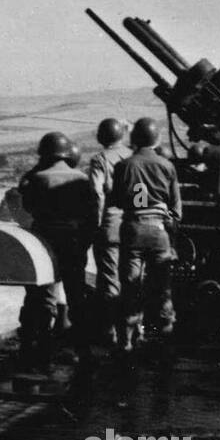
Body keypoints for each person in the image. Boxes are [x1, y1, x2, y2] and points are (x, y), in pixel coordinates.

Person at [17, 131, 98, 369]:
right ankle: (84, 352)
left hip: (45, 242)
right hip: (74, 243)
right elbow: (92, 216)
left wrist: (34, 170)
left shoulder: (39, 178)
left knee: (42, 298)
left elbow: (27, 204)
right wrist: (83, 244)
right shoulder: (82, 178)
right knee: (76, 297)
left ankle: (41, 352)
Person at [109, 118, 182, 352]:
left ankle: (127, 340)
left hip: (133, 228)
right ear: (156, 139)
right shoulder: (167, 166)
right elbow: (176, 208)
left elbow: (117, 201)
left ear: (134, 139)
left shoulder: (124, 166)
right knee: (162, 286)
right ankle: (165, 336)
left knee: (130, 284)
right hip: (159, 230)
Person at [86, 118, 131, 345]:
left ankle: (110, 333)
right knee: (132, 280)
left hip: (110, 225)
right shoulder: (133, 157)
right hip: (132, 225)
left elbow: (97, 193)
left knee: (109, 280)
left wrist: (96, 223)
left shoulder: (100, 159)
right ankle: (131, 334)